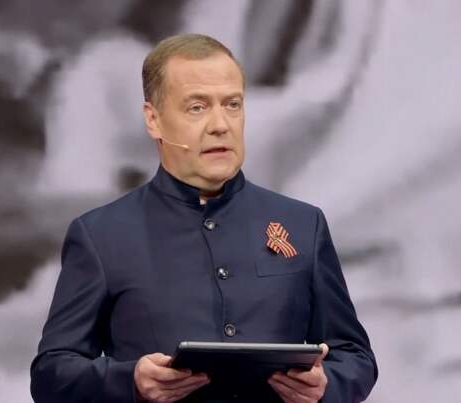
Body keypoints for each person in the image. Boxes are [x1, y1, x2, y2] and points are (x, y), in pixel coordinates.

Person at [30, 33, 377, 403]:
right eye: (197, 107)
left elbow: (355, 357)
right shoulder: (101, 235)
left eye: (232, 105)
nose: (220, 125)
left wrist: (327, 385)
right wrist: (130, 380)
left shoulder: (303, 225)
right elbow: (51, 374)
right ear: (153, 120)